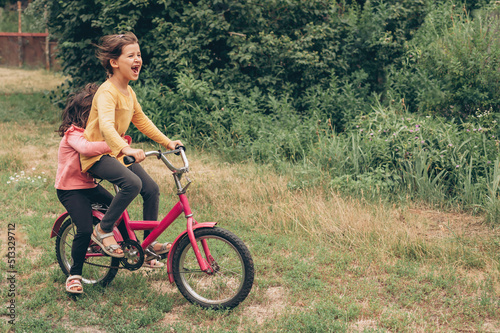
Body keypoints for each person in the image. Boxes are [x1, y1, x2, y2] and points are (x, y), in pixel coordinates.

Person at [80, 32, 182, 266]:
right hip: (96, 155)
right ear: (114, 63)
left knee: (151, 189)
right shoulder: (107, 91)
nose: (137, 59)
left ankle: (147, 245)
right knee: (132, 184)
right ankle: (103, 230)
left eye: (139, 54)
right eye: (131, 55)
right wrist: (125, 149)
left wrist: (167, 142)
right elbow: (105, 125)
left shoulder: (128, 92)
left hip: (114, 153)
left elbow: (142, 120)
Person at [55, 83, 116, 294]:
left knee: (117, 206)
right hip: (70, 190)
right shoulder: (74, 133)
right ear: (86, 114)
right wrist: (113, 144)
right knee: (83, 228)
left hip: (88, 187)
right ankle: (74, 275)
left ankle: (125, 245)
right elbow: (86, 149)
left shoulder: (94, 135)